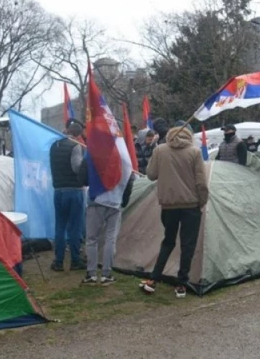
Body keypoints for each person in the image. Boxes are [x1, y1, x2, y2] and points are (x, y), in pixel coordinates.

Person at [140, 121, 209, 298]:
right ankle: (181, 284)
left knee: (168, 241)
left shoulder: (160, 150)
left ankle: (154, 279)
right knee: (188, 245)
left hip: (169, 206)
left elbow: (151, 175)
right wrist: (202, 201)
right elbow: (201, 182)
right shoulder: (194, 152)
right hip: (190, 206)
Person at [78, 157, 134, 286]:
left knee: (92, 238)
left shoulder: (92, 155)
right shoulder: (122, 156)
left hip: (95, 201)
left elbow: (83, 179)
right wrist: (124, 200)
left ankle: (91, 274)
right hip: (115, 202)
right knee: (110, 238)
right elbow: (129, 179)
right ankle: (106, 274)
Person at [48, 121, 86, 272]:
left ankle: (58, 261)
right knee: (75, 227)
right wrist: (86, 166)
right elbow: (76, 167)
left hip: (58, 190)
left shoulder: (54, 146)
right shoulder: (75, 146)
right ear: (77, 135)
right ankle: (75, 260)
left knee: (60, 227)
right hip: (74, 191)